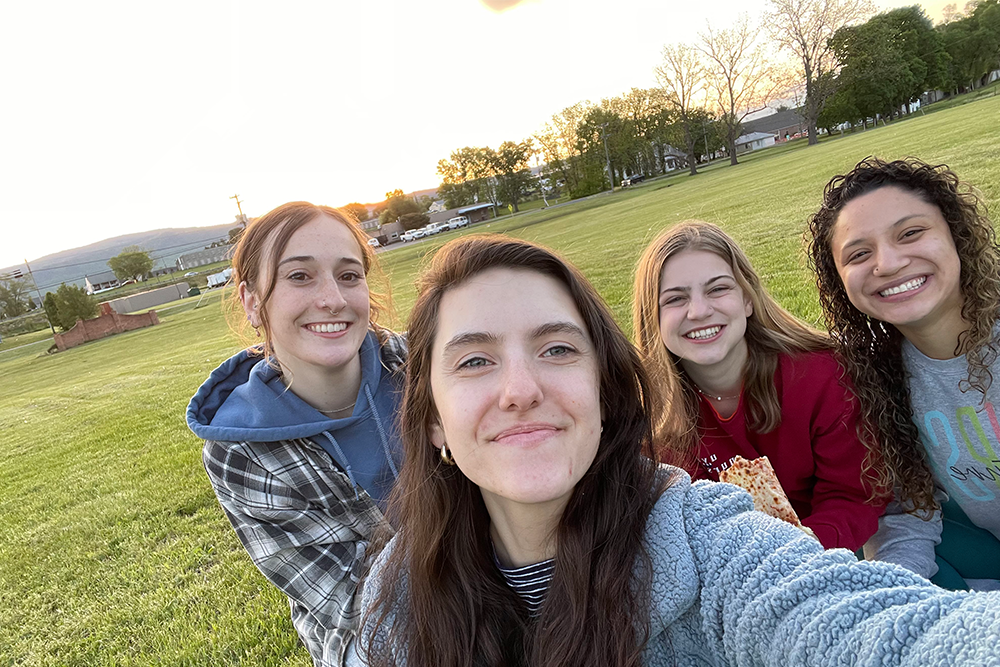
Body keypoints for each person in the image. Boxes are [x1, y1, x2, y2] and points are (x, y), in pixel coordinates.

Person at [350, 234, 998, 667]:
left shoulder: (699, 533)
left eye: (556, 348)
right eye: (474, 359)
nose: (520, 389)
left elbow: (876, 628)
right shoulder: (396, 600)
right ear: (432, 419)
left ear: (605, 396)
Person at [186, 201, 407, 666]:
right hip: (374, 631)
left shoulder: (421, 367)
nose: (333, 299)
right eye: (299, 277)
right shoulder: (240, 448)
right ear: (252, 302)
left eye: (349, 276)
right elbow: (356, 602)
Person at [807, 156, 1000, 591]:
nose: (888, 264)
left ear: (957, 234)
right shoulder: (875, 377)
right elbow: (911, 510)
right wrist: (895, 600)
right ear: (840, 283)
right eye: (859, 254)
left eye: (910, 233)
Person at [632, 221, 881, 551]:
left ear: (747, 300)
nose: (700, 311)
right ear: (653, 319)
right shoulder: (652, 420)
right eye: (676, 299)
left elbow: (852, 497)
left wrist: (790, 554)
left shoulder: (822, 377)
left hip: (822, 558)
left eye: (718, 289)